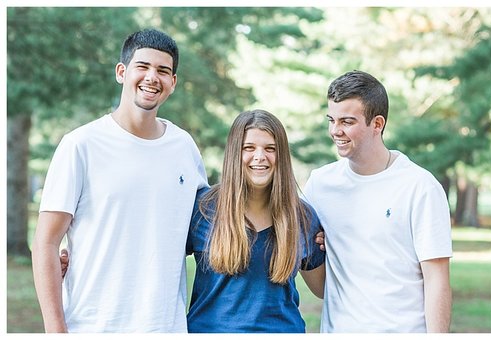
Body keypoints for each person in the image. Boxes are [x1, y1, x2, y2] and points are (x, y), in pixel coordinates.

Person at [32, 28, 208, 332]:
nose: (153, 77)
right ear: (121, 72)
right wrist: (56, 331)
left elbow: (203, 231)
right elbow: (46, 241)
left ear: (173, 83)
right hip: (93, 327)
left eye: (163, 71)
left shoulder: (184, 148)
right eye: (143, 66)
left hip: (166, 327)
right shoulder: (80, 145)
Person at [304, 70, 453, 333]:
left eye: (347, 122)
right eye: (331, 120)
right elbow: (320, 286)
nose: (335, 131)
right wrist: (306, 244)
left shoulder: (420, 186)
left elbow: (437, 280)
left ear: (377, 124)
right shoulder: (320, 185)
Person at [185, 109, 326, 332]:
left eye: (270, 149)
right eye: (248, 148)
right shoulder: (203, 208)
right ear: (234, 153)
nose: (260, 156)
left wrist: (337, 242)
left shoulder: (302, 216)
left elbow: (322, 288)